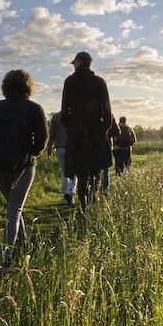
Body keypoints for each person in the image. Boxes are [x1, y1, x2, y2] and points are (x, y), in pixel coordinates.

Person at [0, 70, 47, 269]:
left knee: (13, 206)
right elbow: (42, 140)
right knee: (14, 209)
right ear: (28, 87)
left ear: (5, 86)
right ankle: (8, 257)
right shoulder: (34, 109)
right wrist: (31, 153)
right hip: (24, 167)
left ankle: (23, 240)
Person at [60, 51, 113, 211]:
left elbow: (64, 112)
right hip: (96, 132)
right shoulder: (99, 82)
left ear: (79, 63)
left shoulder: (69, 82)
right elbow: (107, 111)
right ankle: (91, 206)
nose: (73, 66)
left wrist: (73, 129)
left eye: (74, 63)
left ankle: (83, 209)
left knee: (82, 174)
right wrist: (103, 129)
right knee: (96, 172)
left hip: (77, 134)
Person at [45, 112, 76, 206]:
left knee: (63, 172)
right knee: (74, 172)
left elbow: (51, 134)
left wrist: (49, 148)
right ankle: (70, 192)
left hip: (59, 147)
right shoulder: (75, 115)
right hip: (73, 147)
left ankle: (64, 198)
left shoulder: (56, 117)